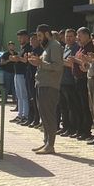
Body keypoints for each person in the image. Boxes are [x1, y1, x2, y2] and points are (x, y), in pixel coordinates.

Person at [28, 24, 63, 155]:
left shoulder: (54, 46)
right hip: (42, 84)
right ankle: (46, 142)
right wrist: (36, 62)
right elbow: (44, 64)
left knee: (49, 115)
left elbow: (58, 66)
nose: (38, 39)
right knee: (44, 115)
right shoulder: (47, 47)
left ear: (47, 34)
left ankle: (50, 145)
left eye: (40, 36)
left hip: (50, 86)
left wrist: (41, 63)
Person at [72, 27, 94, 140]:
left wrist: (75, 60)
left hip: (84, 79)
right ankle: (80, 129)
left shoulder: (90, 47)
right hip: (77, 78)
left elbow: (87, 62)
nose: (78, 38)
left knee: (85, 106)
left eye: (79, 35)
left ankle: (86, 130)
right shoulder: (81, 48)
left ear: (86, 35)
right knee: (78, 106)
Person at [60, 29, 81, 137]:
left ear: (75, 37)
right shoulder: (65, 48)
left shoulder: (76, 48)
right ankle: (65, 126)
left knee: (71, 107)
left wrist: (59, 61)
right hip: (62, 80)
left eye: (71, 36)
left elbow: (71, 64)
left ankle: (72, 128)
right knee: (64, 106)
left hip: (70, 81)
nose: (68, 38)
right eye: (67, 36)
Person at [11, 30, 32, 126]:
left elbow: (26, 60)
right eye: (19, 38)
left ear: (27, 37)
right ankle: (20, 114)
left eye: (21, 37)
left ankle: (25, 115)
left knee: (24, 95)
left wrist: (18, 58)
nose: (20, 39)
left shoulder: (28, 48)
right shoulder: (22, 48)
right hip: (17, 73)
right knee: (19, 95)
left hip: (23, 73)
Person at [25, 33, 42, 128]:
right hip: (29, 75)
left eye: (34, 39)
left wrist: (31, 59)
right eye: (31, 39)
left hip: (35, 76)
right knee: (30, 98)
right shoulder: (31, 50)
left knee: (35, 99)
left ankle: (36, 119)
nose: (32, 41)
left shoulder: (40, 50)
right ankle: (31, 118)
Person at [0, 41, 16, 109]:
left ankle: (15, 100)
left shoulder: (16, 53)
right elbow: (2, 63)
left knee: (14, 87)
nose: (12, 47)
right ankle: (5, 99)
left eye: (13, 45)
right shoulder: (5, 54)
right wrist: (9, 60)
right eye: (10, 45)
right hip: (7, 72)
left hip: (14, 72)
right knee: (6, 86)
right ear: (8, 46)